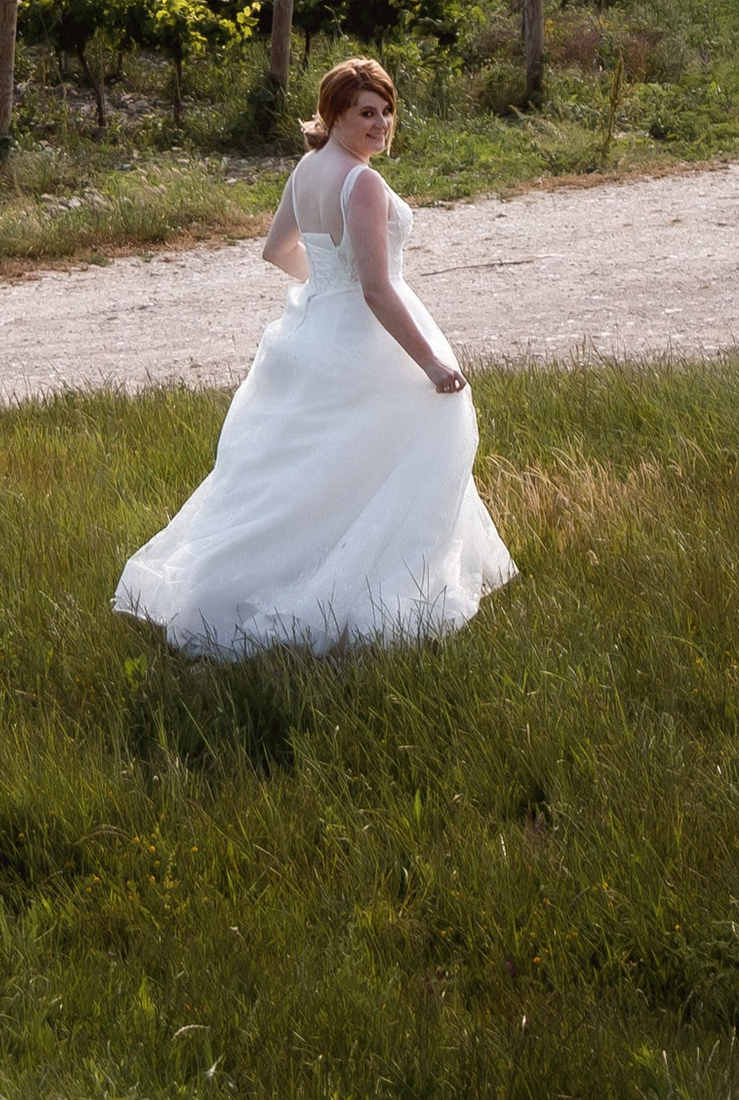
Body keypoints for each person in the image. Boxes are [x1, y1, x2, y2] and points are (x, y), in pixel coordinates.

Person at [113, 55, 515, 656]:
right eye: (365, 113)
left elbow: (277, 249)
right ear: (334, 114)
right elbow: (376, 287)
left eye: (385, 112)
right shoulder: (362, 181)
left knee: (320, 470)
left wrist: (322, 289)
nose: (379, 125)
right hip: (364, 339)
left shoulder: (308, 168)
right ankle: (366, 593)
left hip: (316, 332)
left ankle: (260, 579)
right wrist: (430, 363)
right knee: (427, 429)